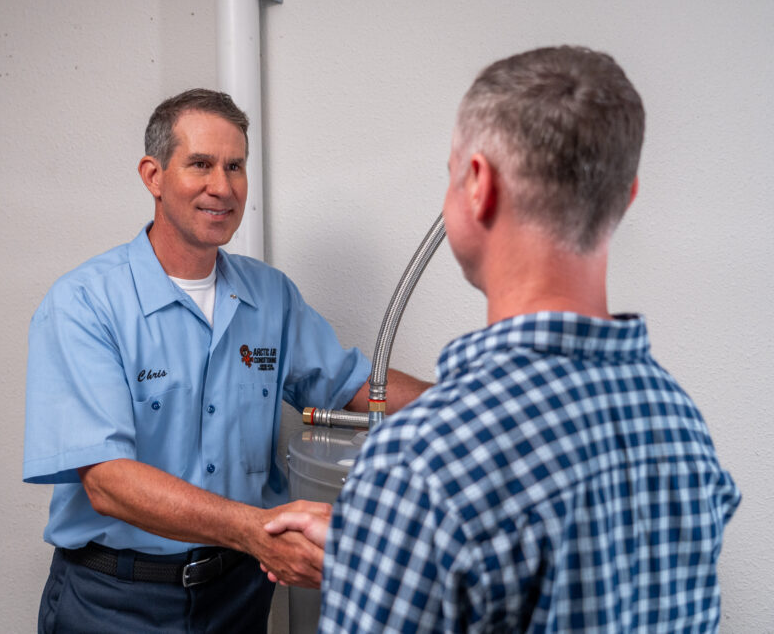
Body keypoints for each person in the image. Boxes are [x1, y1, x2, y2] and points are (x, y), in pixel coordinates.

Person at [264, 46, 741, 632]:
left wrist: (392, 534)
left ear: (479, 186)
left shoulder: (418, 467)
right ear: (627, 196)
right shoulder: (677, 422)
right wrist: (377, 548)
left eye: (451, 173)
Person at [23, 88, 430, 633]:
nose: (222, 186)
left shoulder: (271, 297)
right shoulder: (85, 304)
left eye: (235, 166)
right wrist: (255, 530)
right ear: (153, 175)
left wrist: (481, 403)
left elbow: (355, 387)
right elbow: (108, 480)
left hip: (237, 598)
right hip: (117, 601)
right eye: (201, 164)